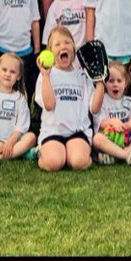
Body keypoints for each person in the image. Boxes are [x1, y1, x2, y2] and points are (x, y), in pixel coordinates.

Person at [35, 26, 101, 172]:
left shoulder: (82, 75)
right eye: (57, 45)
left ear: (73, 48)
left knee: (78, 162)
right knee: (54, 163)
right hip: (53, 131)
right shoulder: (46, 75)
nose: (63, 46)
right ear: (50, 52)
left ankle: (87, 154)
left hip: (77, 131)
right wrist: (46, 75)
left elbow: (95, 109)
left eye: (67, 43)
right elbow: (49, 105)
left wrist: (100, 82)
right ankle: (42, 153)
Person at [0, 53, 38, 161]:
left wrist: (10, 142)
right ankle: (20, 152)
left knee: (31, 137)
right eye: (4, 70)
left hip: (13, 140)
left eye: (12, 72)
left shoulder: (20, 98)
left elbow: (20, 128)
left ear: (18, 76)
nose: (8, 74)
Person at [89, 61, 131, 166]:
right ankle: (127, 156)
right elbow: (100, 122)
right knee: (97, 139)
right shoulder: (102, 100)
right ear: (104, 83)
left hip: (126, 141)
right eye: (111, 81)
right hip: (109, 141)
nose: (115, 84)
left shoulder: (128, 100)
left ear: (125, 82)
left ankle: (116, 156)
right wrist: (112, 121)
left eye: (119, 81)